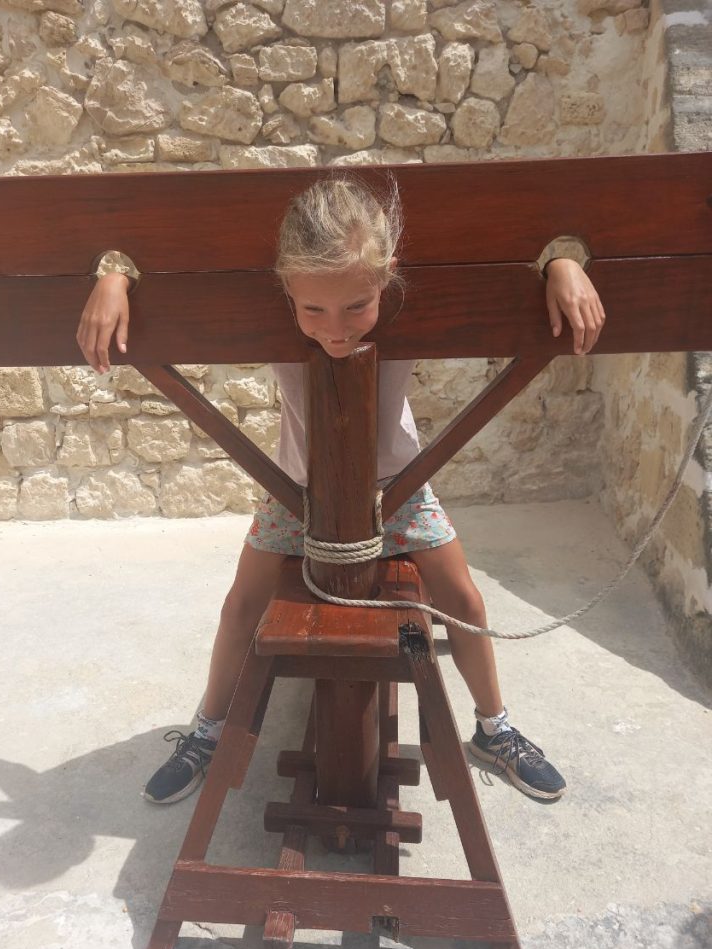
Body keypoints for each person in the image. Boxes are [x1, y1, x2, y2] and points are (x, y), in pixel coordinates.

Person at [76, 175, 605, 805]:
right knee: (241, 604)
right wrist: (115, 275)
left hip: (399, 485)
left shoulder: (402, 302)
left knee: (463, 595)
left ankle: (496, 727)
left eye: (357, 306)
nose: (336, 329)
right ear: (286, 294)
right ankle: (207, 730)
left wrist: (561, 259)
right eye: (313, 310)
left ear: (387, 283)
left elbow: (543, 242)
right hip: (295, 486)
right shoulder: (275, 310)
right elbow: (135, 255)